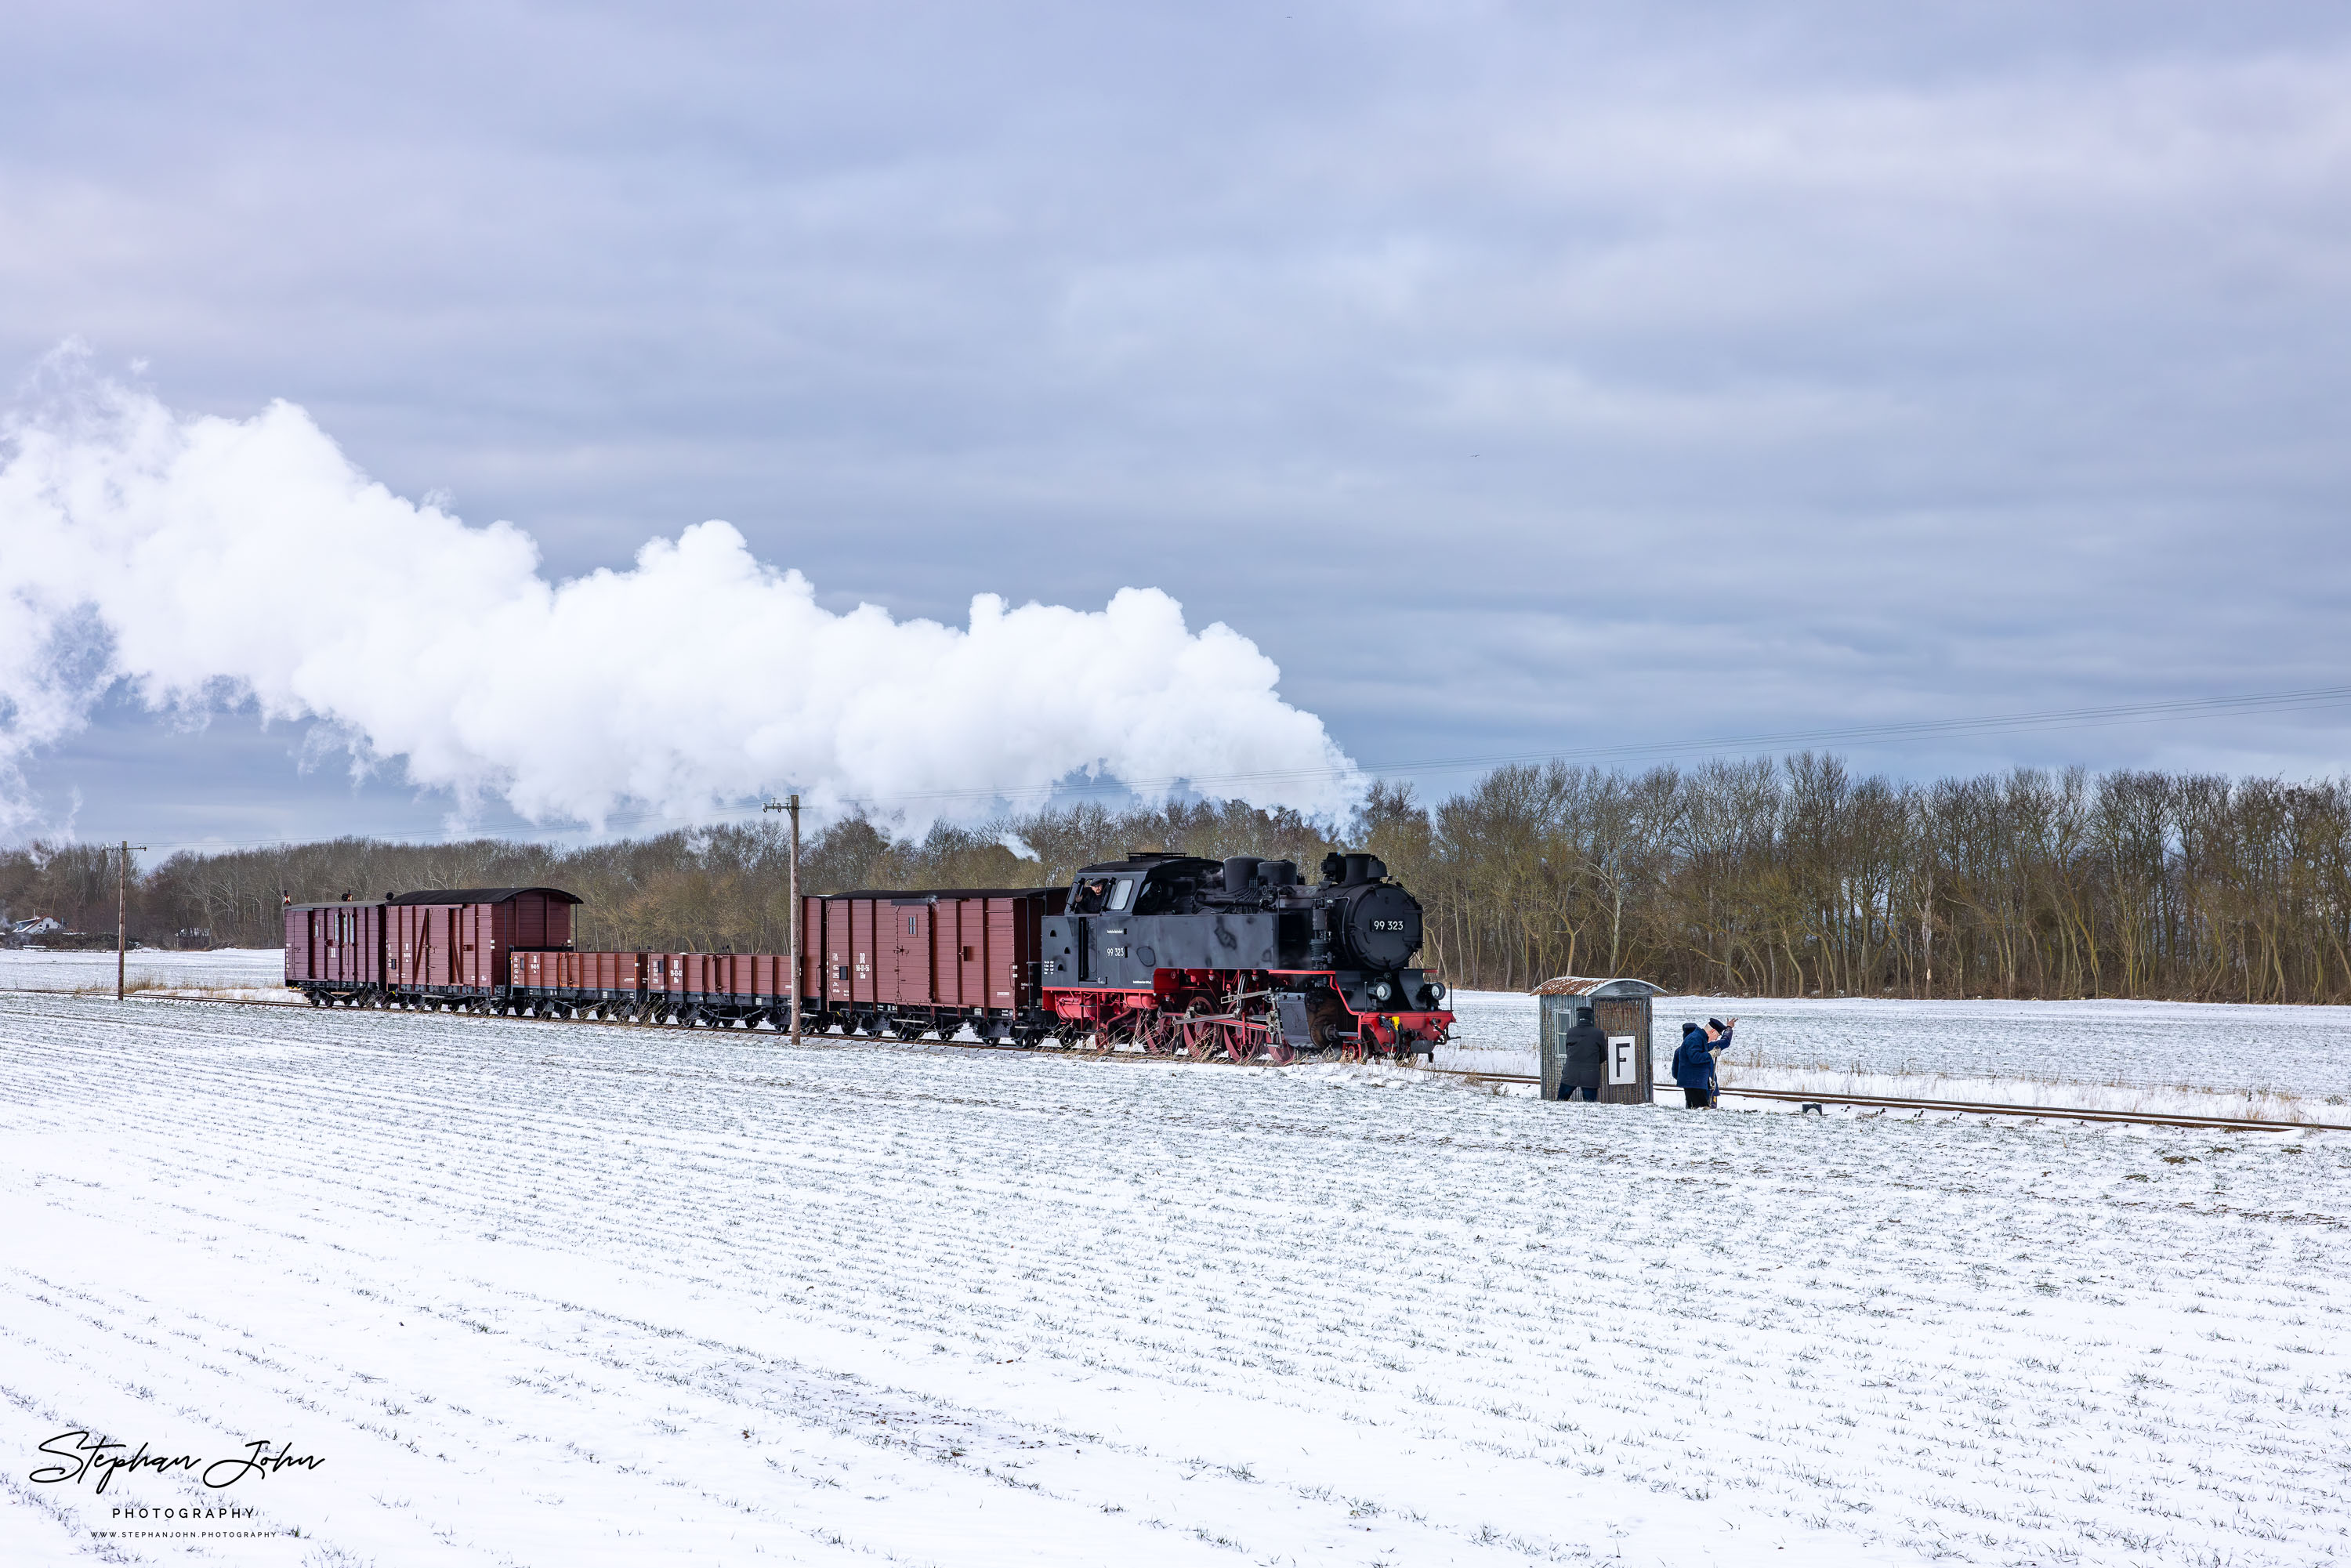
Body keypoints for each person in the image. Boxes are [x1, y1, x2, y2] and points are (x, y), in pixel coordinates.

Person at [1670, 1017, 1738, 1108]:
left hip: (1699, 1083)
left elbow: (1675, 1074)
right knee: (1700, 1112)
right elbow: (1695, 1057)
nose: (1715, 1039)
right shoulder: (1696, 1039)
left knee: (1698, 1111)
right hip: (1696, 1083)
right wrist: (1711, 1054)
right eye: (1717, 1036)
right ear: (1713, 1031)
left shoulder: (1699, 1040)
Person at [1554, 1005, 1608, 1102]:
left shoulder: (1571, 1032)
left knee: (1561, 1101)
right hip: (1590, 1073)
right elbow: (1604, 1056)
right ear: (1591, 1018)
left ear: (1578, 1018)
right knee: (1590, 1103)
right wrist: (1593, 1063)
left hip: (1570, 1072)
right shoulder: (1598, 1034)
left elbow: (1568, 1052)